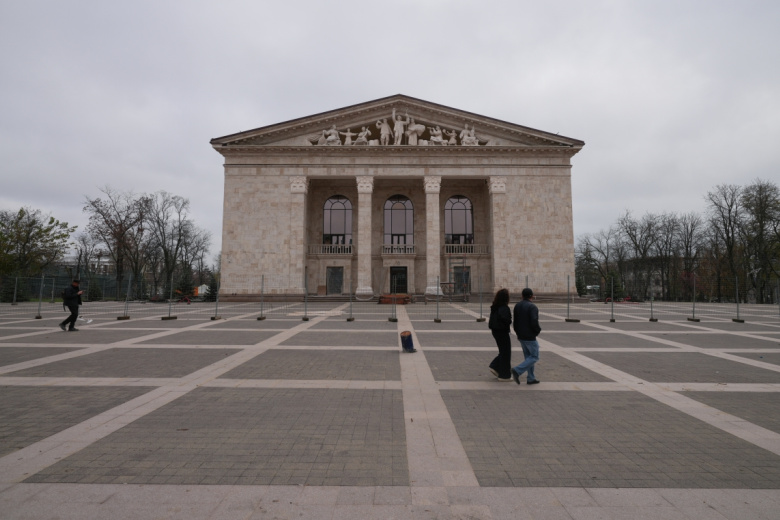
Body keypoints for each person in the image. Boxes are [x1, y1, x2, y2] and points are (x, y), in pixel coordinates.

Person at [511, 288, 541, 385]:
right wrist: (537, 331)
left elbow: (515, 322)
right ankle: (517, 370)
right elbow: (534, 321)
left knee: (528, 357)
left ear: (522, 296)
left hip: (521, 336)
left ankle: (531, 378)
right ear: (532, 296)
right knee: (534, 356)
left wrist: (517, 332)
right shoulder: (532, 307)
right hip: (530, 336)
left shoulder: (517, 306)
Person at [488, 288, 512, 381]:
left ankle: (495, 366)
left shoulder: (495, 306)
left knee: (503, 351)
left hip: (495, 331)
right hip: (502, 332)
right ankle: (504, 375)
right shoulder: (504, 308)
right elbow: (506, 320)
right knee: (506, 352)